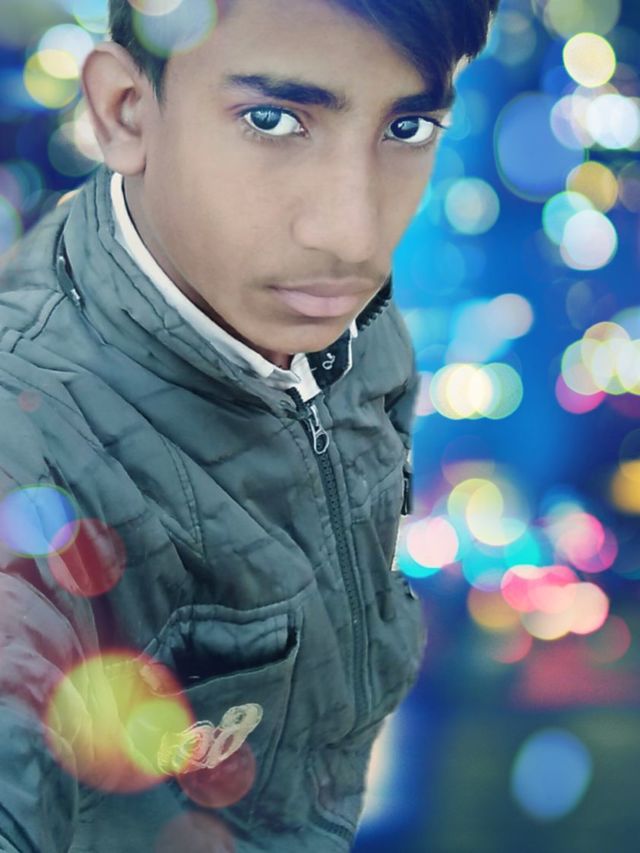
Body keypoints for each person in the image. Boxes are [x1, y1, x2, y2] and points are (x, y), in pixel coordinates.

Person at [0, 0, 498, 850]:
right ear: (125, 110)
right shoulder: (30, 451)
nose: (353, 234)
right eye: (272, 120)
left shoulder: (357, 333)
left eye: (407, 127)